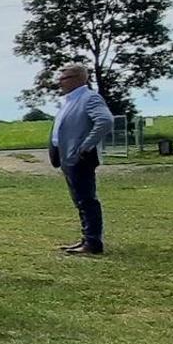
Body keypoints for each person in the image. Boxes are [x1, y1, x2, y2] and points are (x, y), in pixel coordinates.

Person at [50, 62, 114, 256]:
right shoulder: (70, 100)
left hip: (79, 158)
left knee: (87, 200)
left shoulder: (89, 98)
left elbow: (105, 121)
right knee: (80, 200)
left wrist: (85, 146)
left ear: (79, 78)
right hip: (67, 157)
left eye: (64, 78)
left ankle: (93, 242)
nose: (60, 82)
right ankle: (86, 239)